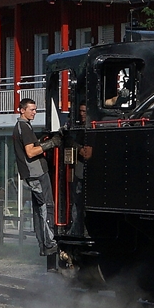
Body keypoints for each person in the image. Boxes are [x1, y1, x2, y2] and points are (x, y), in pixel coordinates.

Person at [13, 98, 60, 257]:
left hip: (31, 173)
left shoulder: (21, 127)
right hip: (36, 173)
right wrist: (52, 143)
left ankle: (42, 244)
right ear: (22, 110)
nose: (34, 112)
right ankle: (49, 243)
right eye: (31, 109)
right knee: (46, 207)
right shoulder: (24, 128)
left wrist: (40, 140)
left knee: (38, 208)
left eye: (35, 109)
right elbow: (31, 152)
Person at [68, 102, 93, 238]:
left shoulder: (89, 131)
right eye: (80, 111)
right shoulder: (79, 129)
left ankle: (81, 230)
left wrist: (74, 145)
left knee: (80, 202)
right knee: (76, 202)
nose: (81, 114)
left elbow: (86, 153)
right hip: (78, 172)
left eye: (84, 111)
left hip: (84, 173)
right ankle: (76, 229)